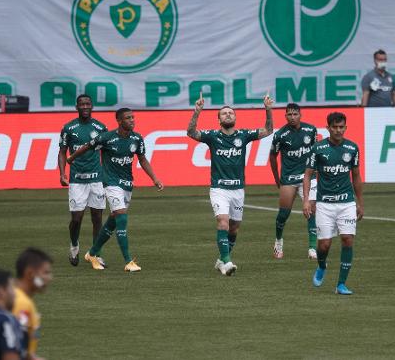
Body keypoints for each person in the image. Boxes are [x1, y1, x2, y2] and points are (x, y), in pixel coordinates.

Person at [67, 108, 164, 272]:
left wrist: (154, 178)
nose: (132, 120)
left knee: (113, 219)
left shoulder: (137, 139)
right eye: (128, 118)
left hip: (127, 184)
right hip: (110, 183)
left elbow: (142, 159)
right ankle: (128, 261)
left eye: (133, 117)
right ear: (119, 121)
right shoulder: (107, 137)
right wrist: (71, 158)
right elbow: (87, 146)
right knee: (121, 217)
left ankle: (92, 253)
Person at [187, 92, 274, 276]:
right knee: (223, 222)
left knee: (234, 228)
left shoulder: (243, 135)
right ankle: (227, 262)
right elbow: (191, 133)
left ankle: (221, 259)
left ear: (235, 117)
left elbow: (268, 131)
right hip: (219, 188)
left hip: (238, 189)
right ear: (218, 119)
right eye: (224, 113)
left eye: (231, 113)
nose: (228, 115)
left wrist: (268, 110)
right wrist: (197, 111)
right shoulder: (212, 136)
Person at [302, 112, 364, 295]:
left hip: (346, 203)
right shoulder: (318, 149)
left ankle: (341, 284)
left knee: (347, 240)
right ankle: (322, 266)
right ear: (328, 128)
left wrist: (360, 202)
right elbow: (307, 175)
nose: (338, 130)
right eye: (335, 127)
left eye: (341, 127)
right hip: (324, 204)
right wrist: (306, 200)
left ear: (345, 127)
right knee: (324, 245)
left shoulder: (352, 148)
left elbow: (357, 176)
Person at [58, 94, 108, 267]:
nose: (85, 106)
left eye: (88, 103)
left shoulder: (100, 127)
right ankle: (74, 245)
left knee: (97, 218)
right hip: (77, 180)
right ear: (76, 107)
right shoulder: (69, 128)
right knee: (76, 219)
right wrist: (62, 173)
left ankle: (96, 254)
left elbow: (107, 152)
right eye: (82, 104)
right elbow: (63, 151)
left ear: (92, 106)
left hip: (96, 179)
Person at [269, 103, 318, 260]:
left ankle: (312, 248)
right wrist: (277, 179)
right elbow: (272, 157)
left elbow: (316, 153)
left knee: (311, 210)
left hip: (308, 177)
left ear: (300, 114)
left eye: (295, 114)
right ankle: (278, 241)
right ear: (285, 116)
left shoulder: (311, 130)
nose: (292, 117)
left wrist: (318, 172)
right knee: (283, 214)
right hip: (288, 178)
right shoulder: (280, 135)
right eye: (289, 114)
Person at [13, 248, 53, 360]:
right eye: (46, 273)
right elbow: (11, 351)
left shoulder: (20, 298)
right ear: (30, 273)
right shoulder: (21, 303)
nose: (50, 278)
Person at [0, 270, 23, 360]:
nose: (15, 293)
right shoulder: (5, 321)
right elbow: (10, 356)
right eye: (11, 288)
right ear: (1, 291)